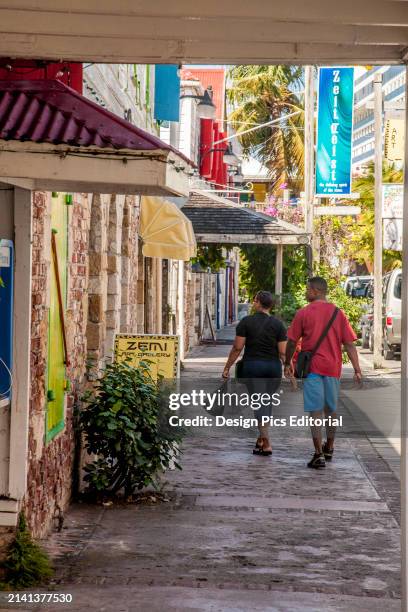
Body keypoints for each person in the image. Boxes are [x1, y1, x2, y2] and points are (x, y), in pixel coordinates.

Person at [284, 277, 362, 469]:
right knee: (331, 411)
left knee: (315, 412)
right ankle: (330, 447)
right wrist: (357, 370)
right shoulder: (338, 313)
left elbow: (292, 341)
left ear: (315, 291)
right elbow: (350, 344)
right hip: (333, 369)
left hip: (313, 369)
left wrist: (287, 362)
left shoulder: (303, 313)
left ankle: (318, 453)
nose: (305, 292)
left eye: (307, 289)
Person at [222, 290, 287, 455]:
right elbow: (282, 351)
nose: (253, 303)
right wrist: (288, 367)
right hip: (273, 368)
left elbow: (237, 348)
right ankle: (260, 438)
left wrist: (227, 367)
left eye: (254, 300)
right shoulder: (278, 324)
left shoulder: (246, 322)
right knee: (267, 402)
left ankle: (267, 443)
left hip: (253, 367)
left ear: (258, 302)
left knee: (259, 404)